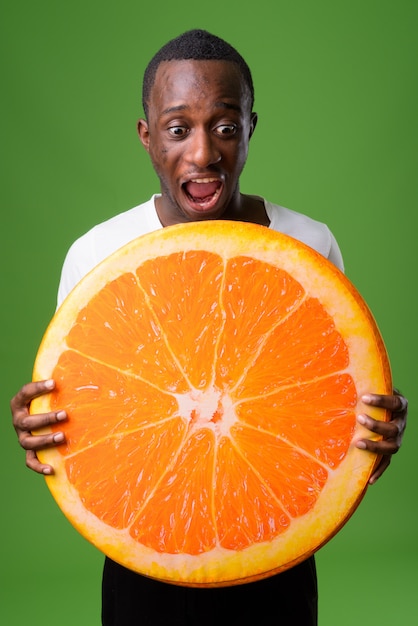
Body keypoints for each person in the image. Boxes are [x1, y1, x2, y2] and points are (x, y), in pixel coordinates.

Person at [11, 29, 407, 626]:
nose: (202, 153)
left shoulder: (308, 244)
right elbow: (90, 406)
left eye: (224, 126)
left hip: (274, 547)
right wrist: (42, 425)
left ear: (250, 128)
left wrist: (376, 431)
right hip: (146, 552)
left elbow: (325, 400)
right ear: (147, 138)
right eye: (178, 129)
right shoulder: (97, 256)